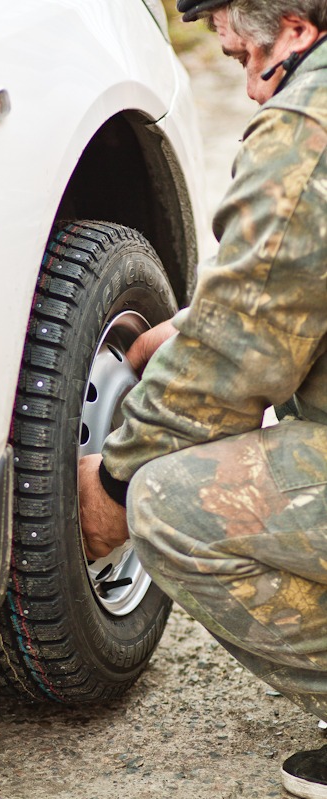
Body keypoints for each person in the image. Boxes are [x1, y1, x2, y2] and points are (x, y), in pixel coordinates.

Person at [78, 1, 327, 796]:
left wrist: (114, 480)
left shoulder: (306, 128)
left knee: (169, 502)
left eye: (238, 56)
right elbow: (285, 276)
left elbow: (234, 361)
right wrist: (199, 324)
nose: (250, 91)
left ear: (293, 30)